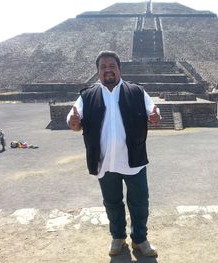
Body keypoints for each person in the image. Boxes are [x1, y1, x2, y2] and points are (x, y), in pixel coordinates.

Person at [67, 51, 161, 257]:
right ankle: (118, 237)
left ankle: (140, 239)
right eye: (103, 67)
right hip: (104, 161)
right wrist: (74, 123)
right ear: (98, 71)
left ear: (119, 69)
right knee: (112, 203)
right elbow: (74, 119)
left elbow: (152, 110)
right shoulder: (87, 95)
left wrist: (155, 116)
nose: (107, 70)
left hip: (133, 160)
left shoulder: (136, 92)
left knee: (140, 202)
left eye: (112, 65)